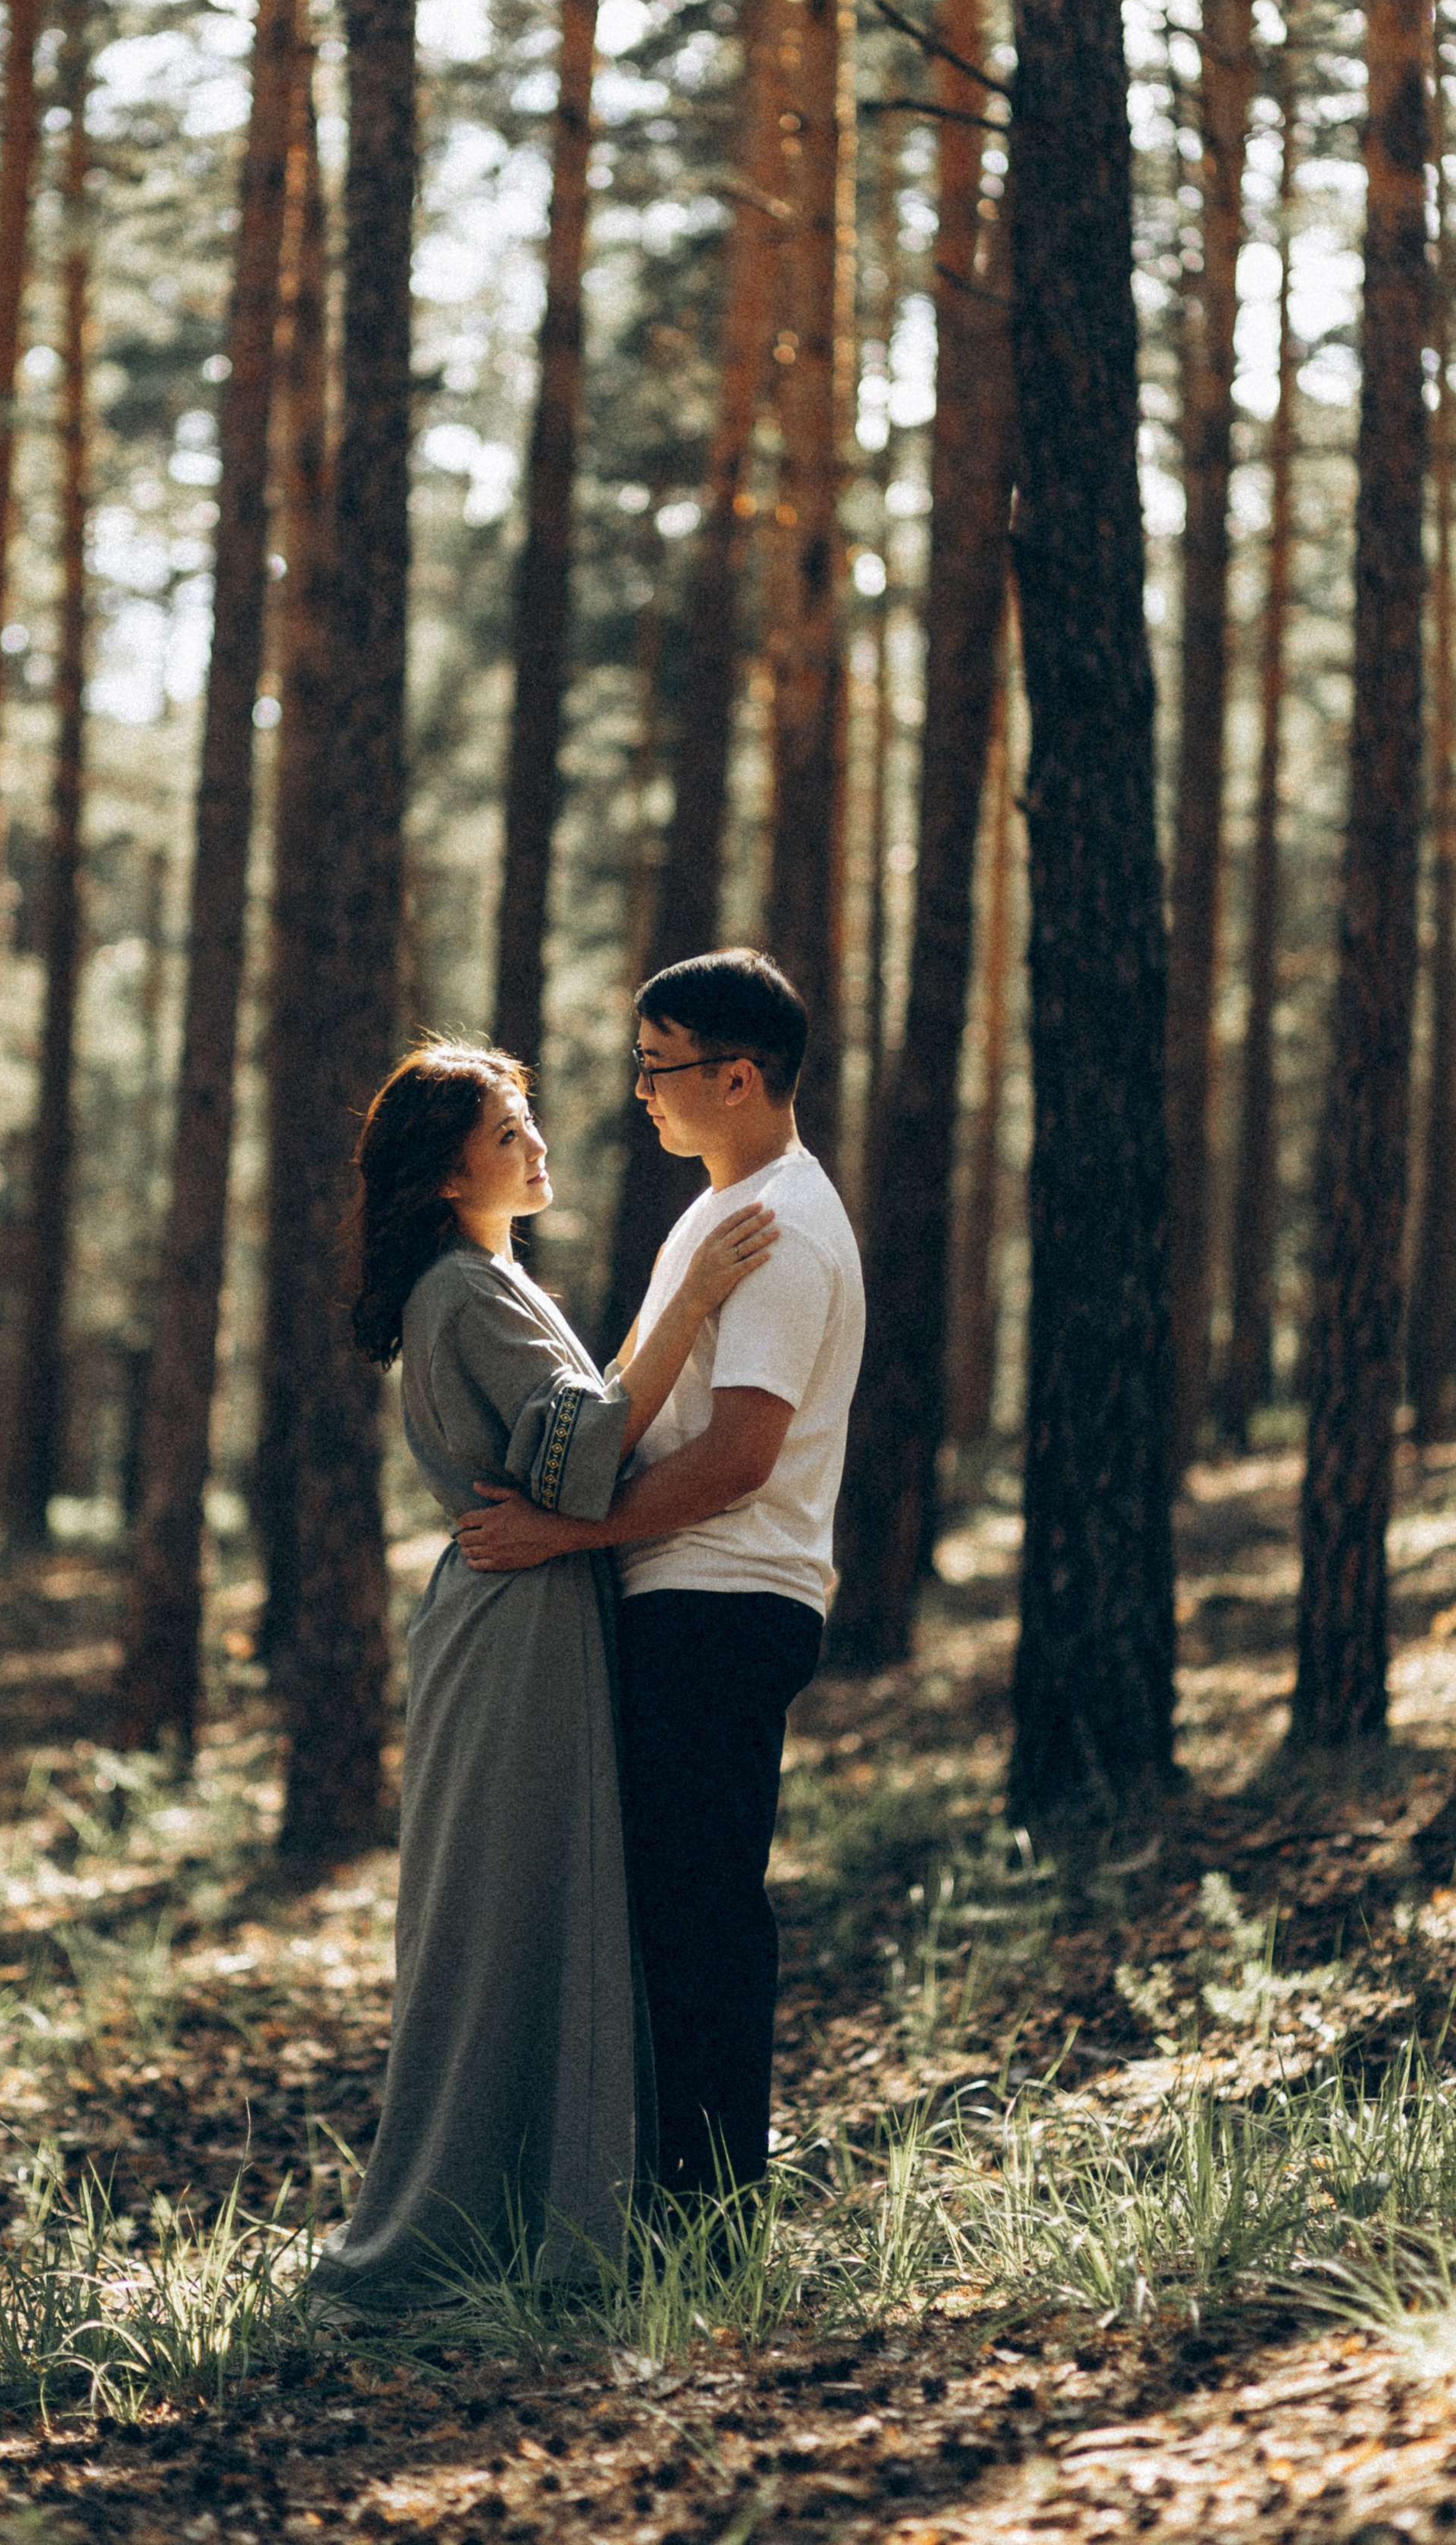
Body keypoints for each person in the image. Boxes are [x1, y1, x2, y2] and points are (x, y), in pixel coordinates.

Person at [311, 1041, 774, 2305]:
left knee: (541, 1902)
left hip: (532, 1605)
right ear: (448, 1164)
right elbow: (573, 1465)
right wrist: (686, 1313)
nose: (537, 1144)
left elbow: (568, 1443)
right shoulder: (462, 1289)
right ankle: (470, 2230)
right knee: (506, 1909)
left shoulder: (489, 1279)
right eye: (510, 1130)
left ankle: (540, 2213)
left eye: (528, 1122)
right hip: (514, 1620)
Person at [458, 950, 864, 2199]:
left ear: (736, 1078)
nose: (640, 1090)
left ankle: (710, 2220)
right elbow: (627, 1397)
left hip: (724, 1600)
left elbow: (740, 1457)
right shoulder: (718, 1208)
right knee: (665, 1914)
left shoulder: (779, 1230)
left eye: (659, 1065)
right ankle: (668, 2204)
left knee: (698, 1920)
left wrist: (564, 1535)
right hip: (685, 1595)